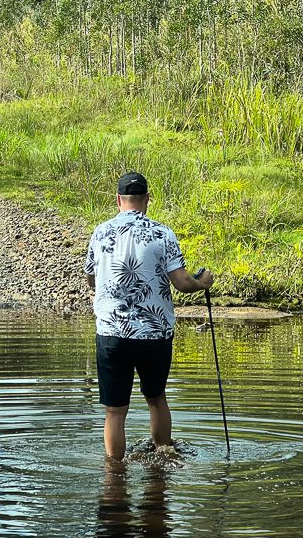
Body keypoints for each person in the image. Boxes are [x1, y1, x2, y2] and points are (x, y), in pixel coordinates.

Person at [84, 171, 214, 460]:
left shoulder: (100, 232)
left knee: (115, 411)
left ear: (118, 200)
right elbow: (181, 282)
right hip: (154, 333)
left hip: (112, 333)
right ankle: (163, 460)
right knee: (156, 399)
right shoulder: (162, 233)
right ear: (146, 200)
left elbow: (92, 280)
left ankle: (114, 478)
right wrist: (202, 283)